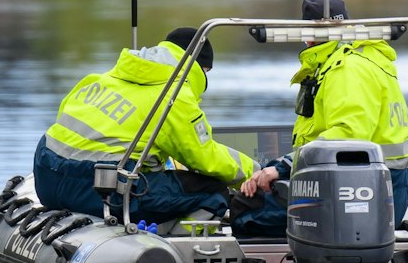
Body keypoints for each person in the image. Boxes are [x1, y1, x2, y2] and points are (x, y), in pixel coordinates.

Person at [34, 27, 257, 227]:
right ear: (201, 68)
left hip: (47, 179)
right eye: (207, 72)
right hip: (99, 191)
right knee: (212, 193)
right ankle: (175, 249)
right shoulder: (174, 96)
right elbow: (204, 156)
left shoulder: (100, 79)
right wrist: (255, 172)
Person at [236, 0, 408, 233]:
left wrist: (280, 169)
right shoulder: (364, 59)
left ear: (308, 35)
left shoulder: (346, 69)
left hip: (360, 194)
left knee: (244, 211)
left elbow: (348, 136)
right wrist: (277, 169)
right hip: (374, 187)